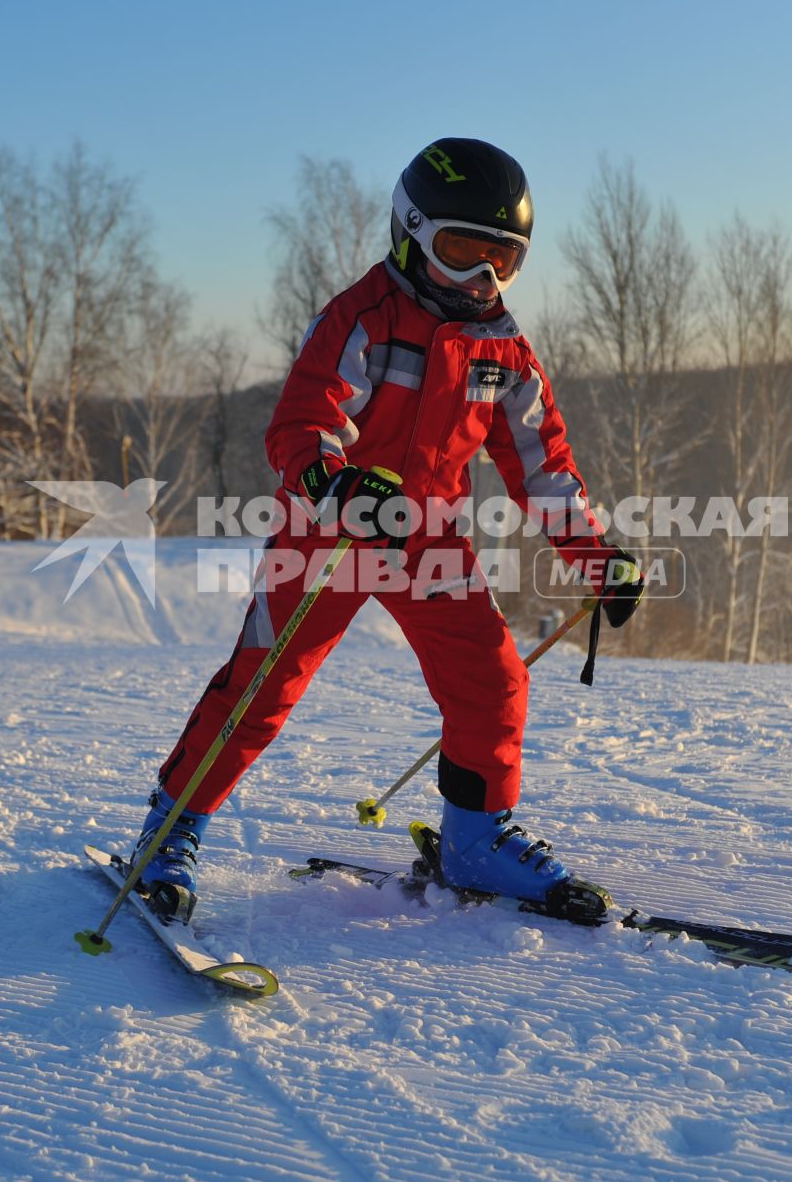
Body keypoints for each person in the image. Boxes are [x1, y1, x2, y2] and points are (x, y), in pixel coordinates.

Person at [128, 138, 642, 918]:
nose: (483, 278)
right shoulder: (362, 318)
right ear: (409, 232)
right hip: (329, 531)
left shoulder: (503, 352)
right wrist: (332, 486)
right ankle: (171, 831)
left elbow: (543, 465)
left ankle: (476, 837)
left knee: (494, 677)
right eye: (461, 251)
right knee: (263, 685)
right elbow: (300, 424)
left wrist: (595, 555)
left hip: (426, 539)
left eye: (503, 258)